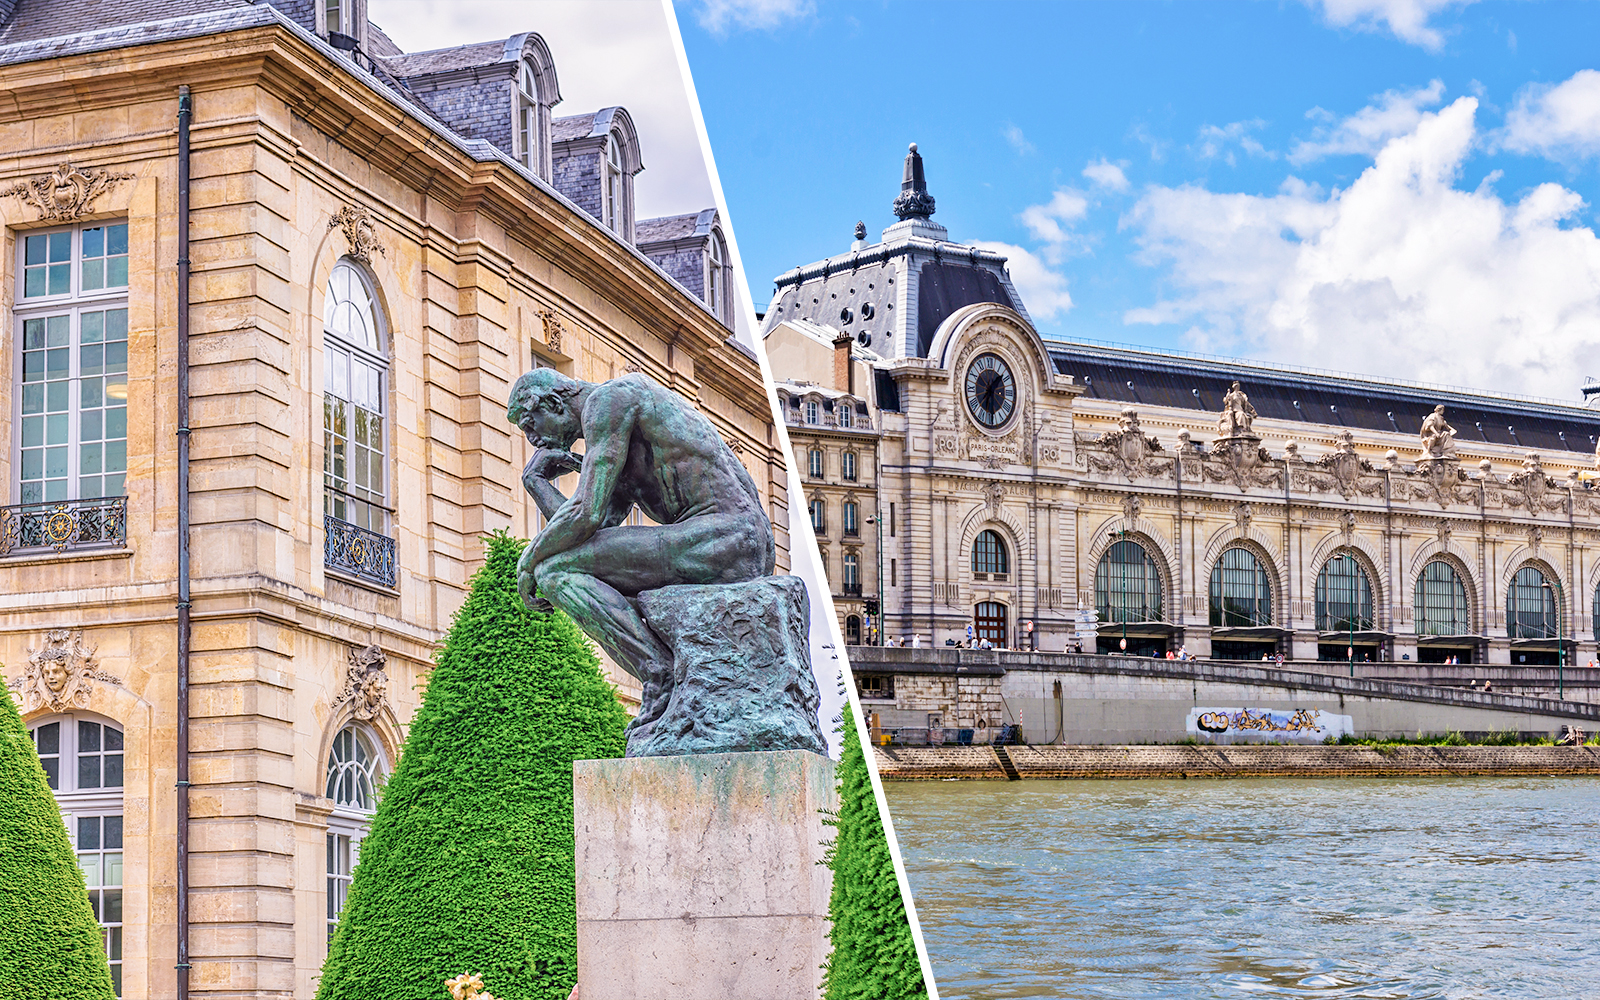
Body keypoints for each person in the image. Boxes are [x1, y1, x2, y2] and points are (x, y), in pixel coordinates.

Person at [508, 368, 775, 736]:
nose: (534, 439)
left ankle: (658, 672)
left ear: (553, 403)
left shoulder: (609, 402)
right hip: (729, 541)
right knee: (560, 568)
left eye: (530, 424)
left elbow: (585, 514)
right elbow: (591, 535)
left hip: (725, 536)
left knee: (553, 572)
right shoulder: (613, 434)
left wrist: (529, 559)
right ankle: (662, 671)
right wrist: (535, 483)